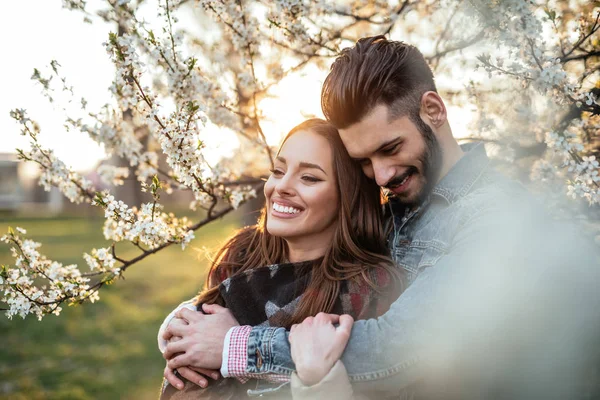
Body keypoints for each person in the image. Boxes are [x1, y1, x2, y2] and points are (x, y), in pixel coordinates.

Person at [162, 36, 600, 399]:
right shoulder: (397, 204)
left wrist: (234, 345)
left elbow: (401, 349)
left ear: (433, 110)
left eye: (389, 148)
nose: (382, 174)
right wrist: (191, 319)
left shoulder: (496, 220)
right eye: (364, 160)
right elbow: (307, 271)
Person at [157, 118, 403, 399]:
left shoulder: (369, 288)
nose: (281, 187)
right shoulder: (243, 254)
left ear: (348, 196)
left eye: (309, 177)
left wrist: (233, 349)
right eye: (278, 170)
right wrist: (179, 335)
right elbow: (199, 323)